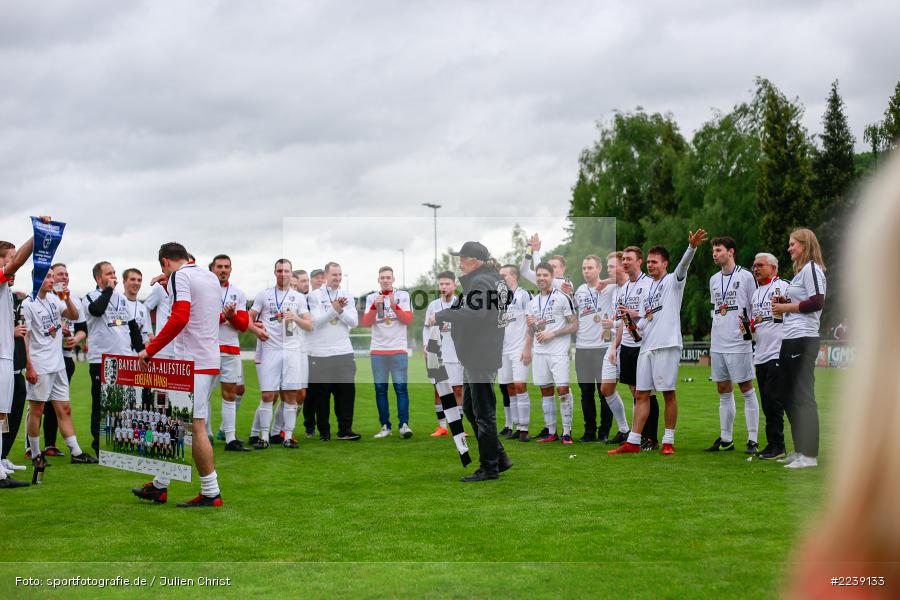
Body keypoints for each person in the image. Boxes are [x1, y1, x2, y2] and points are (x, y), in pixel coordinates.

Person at [131, 242, 224, 506]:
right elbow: (201, 313)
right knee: (176, 424)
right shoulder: (208, 276)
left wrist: (150, 349)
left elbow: (181, 316)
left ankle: (211, 491)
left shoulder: (181, 275)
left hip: (192, 362)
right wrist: (167, 287)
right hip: (207, 359)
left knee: (195, 427)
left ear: (164, 262)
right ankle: (160, 485)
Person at [610, 228, 708, 456]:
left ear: (665, 264)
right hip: (646, 346)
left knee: (668, 393)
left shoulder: (674, 281)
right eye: (649, 262)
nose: (650, 266)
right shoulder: (649, 288)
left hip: (667, 345)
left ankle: (668, 440)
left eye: (655, 262)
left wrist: (691, 247)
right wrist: (634, 326)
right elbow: (646, 319)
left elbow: (683, 265)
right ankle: (633, 441)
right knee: (641, 394)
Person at [434, 241, 512, 482]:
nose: (459, 262)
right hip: (482, 354)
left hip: (480, 355)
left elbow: (477, 314)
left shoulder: (481, 281)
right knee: (470, 407)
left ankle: (489, 468)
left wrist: (445, 313)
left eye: (463, 258)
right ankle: (499, 457)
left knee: (483, 413)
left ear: (474, 262)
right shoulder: (495, 279)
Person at [21, 269, 98, 465]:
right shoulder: (28, 303)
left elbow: (73, 315)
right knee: (37, 410)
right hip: (40, 364)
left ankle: (76, 452)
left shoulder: (54, 300)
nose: (53, 279)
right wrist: (28, 365)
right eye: (48, 276)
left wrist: (68, 298)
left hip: (58, 364)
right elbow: (26, 337)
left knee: (65, 408)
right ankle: (37, 455)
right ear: (37, 278)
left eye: (53, 276)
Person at [0, 219, 52, 489]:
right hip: (0, 358)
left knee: (2, 415)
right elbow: (18, 262)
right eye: (6, 260)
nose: (12, 266)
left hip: (7, 357)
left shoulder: (8, 290)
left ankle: (0, 464)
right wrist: (37, 236)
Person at [772, 228, 826, 470]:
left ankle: (810, 455)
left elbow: (817, 302)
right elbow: (801, 300)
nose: (789, 248)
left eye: (793, 244)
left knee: (804, 396)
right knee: (784, 393)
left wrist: (786, 308)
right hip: (790, 337)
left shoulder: (813, 269)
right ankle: (799, 448)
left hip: (804, 338)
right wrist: (786, 304)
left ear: (804, 245)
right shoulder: (799, 273)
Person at [704, 237, 760, 454]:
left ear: (731, 251)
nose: (714, 254)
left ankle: (753, 439)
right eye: (713, 251)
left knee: (746, 388)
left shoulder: (746, 276)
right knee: (723, 390)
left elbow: (754, 306)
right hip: (718, 342)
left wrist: (750, 329)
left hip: (739, 342)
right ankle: (726, 439)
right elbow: (717, 309)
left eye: (718, 250)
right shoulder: (713, 279)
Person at [248, 259, 312, 449]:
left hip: (292, 350)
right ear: (274, 272)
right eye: (279, 270)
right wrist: (256, 331)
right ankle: (264, 437)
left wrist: (296, 318)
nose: (283, 274)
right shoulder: (264, 295)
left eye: (286, 271)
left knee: (291, 395)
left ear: (291, 274)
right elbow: (247, 319)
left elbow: (309, 325)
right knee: (268, 395)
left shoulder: (298, 298)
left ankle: (287, 437)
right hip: (271, 350)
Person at [573, 253, 629, 443]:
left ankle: (604, 431)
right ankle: (589, 432)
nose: (586, 271)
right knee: (586, 392)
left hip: (604, 346)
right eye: (584, 268)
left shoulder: (611, 287)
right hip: (582, 347)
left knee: (604, 391)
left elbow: (623, 276)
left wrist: (605, 281)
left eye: (590, 268)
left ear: (599, 269)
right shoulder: (579, 291)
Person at [523, 262, 577, 444]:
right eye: (538, 275)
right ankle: (551, 432)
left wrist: (552, 333)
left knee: (562, 390)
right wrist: (531, 326)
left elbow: (574, 324)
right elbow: (532, 330)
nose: (541, 278)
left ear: (552, 277)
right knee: (545, 391)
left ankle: (567, 432)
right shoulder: (532, 303)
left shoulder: (562, 298)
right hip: (539, 352)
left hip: (558, 352)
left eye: (545, 275)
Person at [306, 262, 361, 441]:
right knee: (322, 396)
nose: (337, 278)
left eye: (339, 275)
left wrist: (339, 311)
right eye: (334, 275)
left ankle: (345, 430)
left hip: (343, 351)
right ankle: (324, 431)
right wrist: (333, 310)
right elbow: (316, 322)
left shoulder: (347, 295)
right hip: (320, 353)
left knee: (346, 392)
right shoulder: (314, 296)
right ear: (325, 276)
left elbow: (354, 322)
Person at [613, 246, 661, 451]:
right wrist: (615, 346)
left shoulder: (649, 284)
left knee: (646, 392)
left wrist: (634, 314)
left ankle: (651, 438)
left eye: (629, 259)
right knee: (634, 390)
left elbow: (653, 315)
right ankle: (637, 435)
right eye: (623, 259)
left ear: (639, 261)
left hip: (644, 343)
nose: (625, 262)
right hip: (627, 343)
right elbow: (623, 318)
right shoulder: (623, 288)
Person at [83, 261, 132, 455]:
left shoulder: (121, 297)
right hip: (101, 360)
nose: (113, 276)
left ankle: (118, 441)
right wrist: (108, 291)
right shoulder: (90, 297)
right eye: (108, 273)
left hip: (124, 357)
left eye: (114, 273)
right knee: (101, 404)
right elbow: (97, 310)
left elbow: (131, 324)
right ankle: (99, 445)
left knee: (121, 403)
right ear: (98, 278)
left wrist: (141, 351)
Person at [362, 266, 414, 439]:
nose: (385, 280)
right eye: (382, 277)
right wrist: (375, 307)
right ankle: (385, 426)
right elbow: (367, 323)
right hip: (378, 350)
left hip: (398, 349)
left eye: (388, 277)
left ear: (393, 279)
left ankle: (404, 425)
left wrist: (394, 305)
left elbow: (407, 320)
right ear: (378, 280)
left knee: (401, 388)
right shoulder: (371, 297)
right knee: (380, 390)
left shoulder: (403, 295)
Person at [208, 254, 251, 452]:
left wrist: (231, 317)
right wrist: (222, 316)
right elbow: (200, 320)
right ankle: (206, 435)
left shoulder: (238, 293)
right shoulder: (204, 290)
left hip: (231, 349)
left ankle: (230, 438)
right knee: (203, 395)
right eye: (219, 267)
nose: (223, 270)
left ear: (231, 270)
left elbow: (243, 326)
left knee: (230, 394)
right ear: (212, 269)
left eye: (226, 267)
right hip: (208, 349)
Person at [749, 252, 785, 460]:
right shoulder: (756, 293)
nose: (756, 269)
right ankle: (773, 444)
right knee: (766, 402)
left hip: (777, 352)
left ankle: (777, 445)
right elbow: (757, 324)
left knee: (773, 401)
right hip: (760, 354)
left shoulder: (784, 286)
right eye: (754, 265)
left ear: (773, 267)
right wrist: (749, 327)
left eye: (760, 265)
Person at [423, 271, 464, 437]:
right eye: (441, 284)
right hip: (437, 354)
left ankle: (458, 427)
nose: (444, 287)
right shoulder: (433, 306)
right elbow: (426, 327)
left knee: (457, 390)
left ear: (455, 285)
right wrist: (426, 344)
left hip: (456, 354)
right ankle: (442, 426)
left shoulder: (461, 304)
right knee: (438, 390)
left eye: (447, 284)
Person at [496, 264, 532, 441]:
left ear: (514, 276)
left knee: (519, 386)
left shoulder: (523, 295)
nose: (501, 278)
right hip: (503, 350)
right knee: (509, 387)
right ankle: (515, 426)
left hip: (519, 348)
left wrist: (527, 347)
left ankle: (524, 428)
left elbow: (530, 322)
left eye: (504, 275)